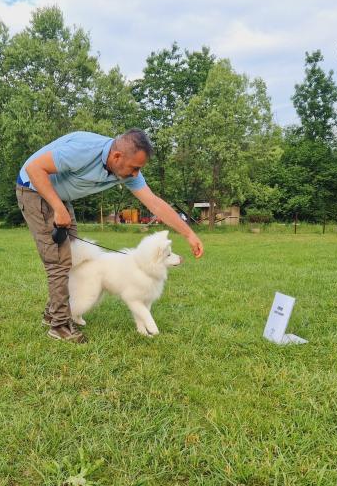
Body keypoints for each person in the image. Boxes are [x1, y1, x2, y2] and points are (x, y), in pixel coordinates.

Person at [16, 129, 204, 343]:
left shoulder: (125, 167)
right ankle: (58, 325)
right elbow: (34, 168)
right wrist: (58, 208)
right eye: (135, 168)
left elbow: (154, 203)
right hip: (34, 189)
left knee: (75, 256)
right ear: (116, 157)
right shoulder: (84, 151)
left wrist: (188, 234)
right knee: (59, 259)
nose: (136, 174)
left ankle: (53, 313)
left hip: (60, 195)